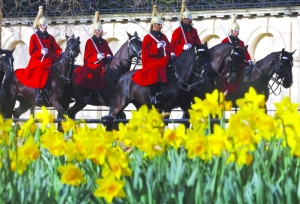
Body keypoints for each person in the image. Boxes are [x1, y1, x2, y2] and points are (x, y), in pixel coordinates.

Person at [15, 6, 62, 102]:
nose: (45, 27)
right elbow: (32, 52)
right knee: (41, 69)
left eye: (46, 25)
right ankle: (38, 92)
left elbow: (56, 48)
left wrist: (60, 52)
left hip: (50, 59)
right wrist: (40, 52)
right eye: (43, 25)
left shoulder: (50, 37)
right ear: (39, 26)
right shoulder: (34, 37)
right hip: (38, 60)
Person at [131, 10, 174, 107]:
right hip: (152, 61)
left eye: (160, 24)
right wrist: (156, 47)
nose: (160, 26)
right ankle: (153, 95)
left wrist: (171, 52)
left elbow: (169, 46)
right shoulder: (147, 37)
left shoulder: (163, 36)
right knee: (156, 68)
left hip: (163, 58)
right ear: (153, 25)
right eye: (158, 24)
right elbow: (146, 51)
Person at [73, 11, 113, 103]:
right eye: (98, 30)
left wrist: (108, 55)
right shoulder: (90, 41)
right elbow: (87, 55)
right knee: (90, 74)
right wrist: (97, 56)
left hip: (103, 64)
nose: (100, 32)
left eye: (101, 30)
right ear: (95, 31)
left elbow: (108, 52)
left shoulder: (104, 42)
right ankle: (89, 93)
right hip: (93, 64)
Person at [221, 20, 252, 94]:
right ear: (232, 31)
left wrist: (249, 60)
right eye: (235, 31)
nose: (236, 32)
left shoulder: (241, 42)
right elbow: (222, 52)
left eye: (237, 31)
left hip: (238, 62)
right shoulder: (225, 41)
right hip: (229, 63)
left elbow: (245, 52)